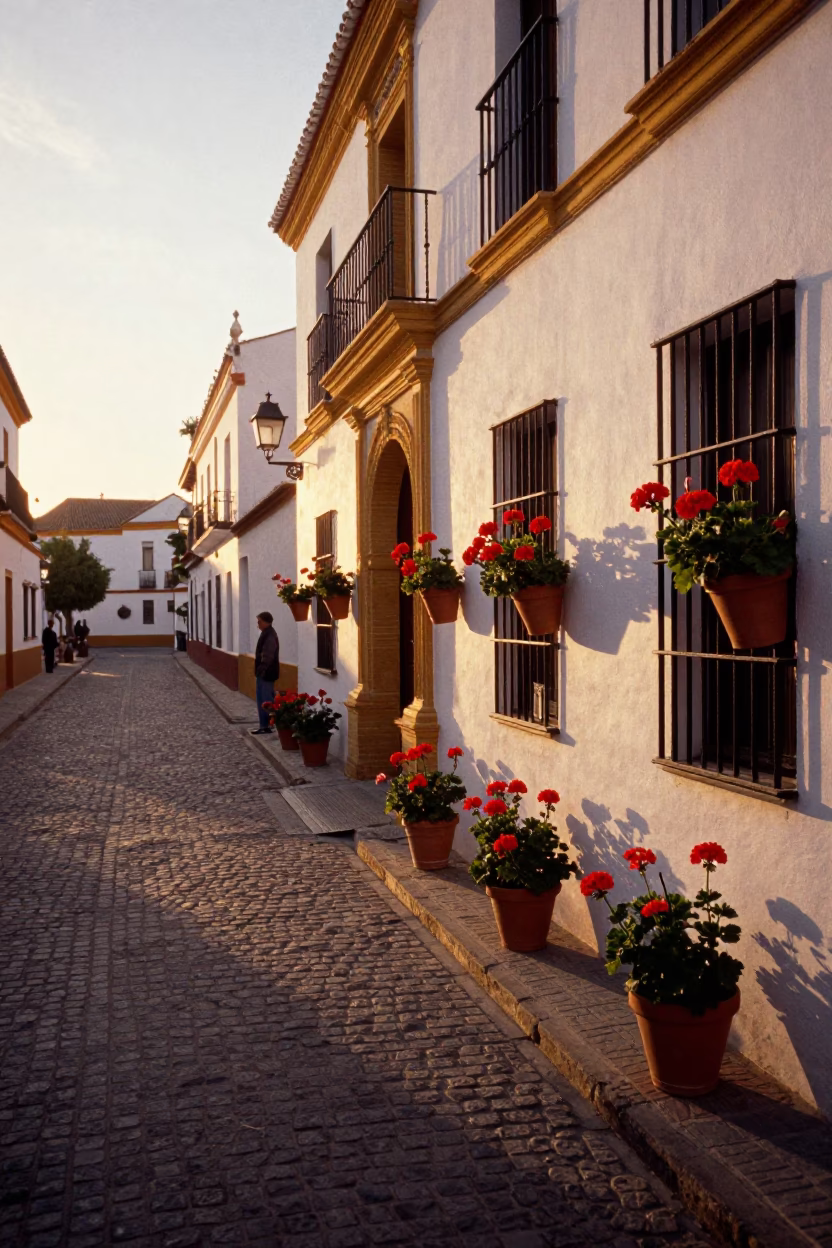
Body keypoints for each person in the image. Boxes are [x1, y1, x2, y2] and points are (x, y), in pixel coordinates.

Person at [251, 611, 279, 734]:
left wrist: (260, 670)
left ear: (266, 622)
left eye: (259, 621)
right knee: (263, 699)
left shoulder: (270, 635)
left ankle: (266, 726)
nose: (258, 624)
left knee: (265, 700)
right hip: (264, 673)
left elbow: (267, 656)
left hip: (266, 673)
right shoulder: (266, 633)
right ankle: (265, 725)